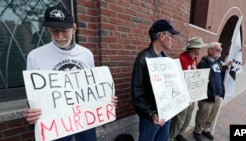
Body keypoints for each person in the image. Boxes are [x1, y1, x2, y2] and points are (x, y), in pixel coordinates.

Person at [23, 4, 118, 141]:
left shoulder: (86, 54)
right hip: (55, 122)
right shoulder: (35, 56)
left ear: (73, 28)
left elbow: (91, 88)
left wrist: (105, 101)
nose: (60, 36)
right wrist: (31, 110)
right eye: (54, 31)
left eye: (64, 31)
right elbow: (33, 95)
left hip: (85, 118)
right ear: (49, 30)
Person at [131, 19, 180, 141]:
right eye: (171, 36)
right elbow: (137, 94)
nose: (173, 40)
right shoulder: (143, 58)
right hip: (151, 117)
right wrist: (151, 113)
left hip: (166, 112)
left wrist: (181, 99)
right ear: (162, 36)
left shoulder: (166, 59)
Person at [169, 37, 208, 141]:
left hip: (192, 94)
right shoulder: (181, 59)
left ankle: (180, 134)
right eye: (199, 48)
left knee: (188, 116)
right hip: (183, 95)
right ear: (193, 48)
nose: (200, 50)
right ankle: (170, 137)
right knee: (180, 118)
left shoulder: (194, 59)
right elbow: (177, 79)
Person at [193, 42, 232, 141]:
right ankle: (197, 131)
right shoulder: (204, 63)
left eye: (221, 50)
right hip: (207, 95)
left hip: (217, 94)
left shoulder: (217, 62)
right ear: (210, 51)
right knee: (203, 114)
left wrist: (226, 66)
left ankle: (206, 129)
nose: (220, 52)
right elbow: (199, 79)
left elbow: (219, 71)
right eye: (218, 50)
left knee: (212, 115)